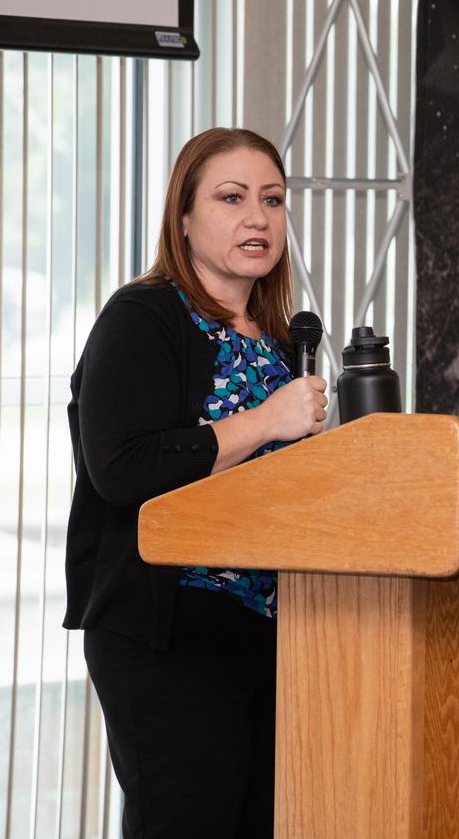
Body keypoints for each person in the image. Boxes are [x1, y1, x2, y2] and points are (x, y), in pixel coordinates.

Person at [65, 127, 328, 837]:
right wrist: (267, 419)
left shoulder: (278, 339)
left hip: (274, 628)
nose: (259, 218)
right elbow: (120, 468)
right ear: (184, 217)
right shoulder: (145, 317)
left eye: (273, 200)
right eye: (233, 197)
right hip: (171, 628)